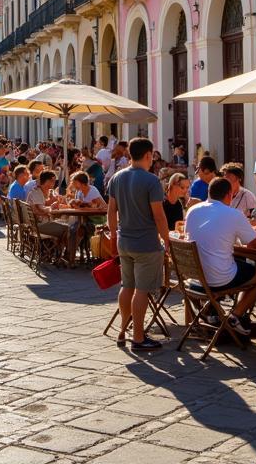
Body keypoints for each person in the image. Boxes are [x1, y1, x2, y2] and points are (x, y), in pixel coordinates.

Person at [105, 137, 170, 352]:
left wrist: (114, 236)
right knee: (141, 290)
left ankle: (124, 330)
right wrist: (167, 240)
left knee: (127, 286)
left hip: (125, 240)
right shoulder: (151, 181)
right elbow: (159, 216)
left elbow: (111, 211)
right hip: (146, 243)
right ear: (148, 155)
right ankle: (139, 337)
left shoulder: (117, 177)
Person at [184, 177, 256, 337]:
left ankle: (212, 310)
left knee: (239, 266)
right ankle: (236, 316)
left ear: (209, 193)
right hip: (219, 278)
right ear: (229, 195)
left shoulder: (193, 211)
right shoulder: (233, 214)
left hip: (196, 278)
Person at [26, 170, 71, 262]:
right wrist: (51, 208)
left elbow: (53, 205)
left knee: (71, 227)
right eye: (51, 180)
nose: (54, 182)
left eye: (54, 180)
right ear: (45, 181)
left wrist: (62, 203)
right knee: (68, 229)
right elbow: (41, 208)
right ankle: (63, 253)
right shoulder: (36, 192)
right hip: (39, 225)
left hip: (45, 221)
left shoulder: (50, 192)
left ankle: (60, 251)